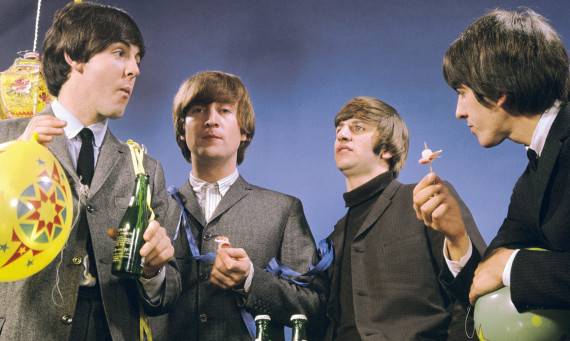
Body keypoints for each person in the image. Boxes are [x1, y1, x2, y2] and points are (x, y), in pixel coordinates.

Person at [0, 2, 180, 340]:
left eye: (138, 59)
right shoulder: (6, 139)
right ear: (73, 55)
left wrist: (154, 272)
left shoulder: (146, 169)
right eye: (119, 53)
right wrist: (14, 158)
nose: (134, 70)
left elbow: (166, 297)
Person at [149, 71, 327, 340]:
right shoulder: (154, 208)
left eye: (224, 110)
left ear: (244, 130)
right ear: (181, 131)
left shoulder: (283, 210)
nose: (210, 120)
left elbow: (314, 306)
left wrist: (251, 281)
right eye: (198, 110)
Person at [439, 8, 570, 311]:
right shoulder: (530, 182)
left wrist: (512, 265)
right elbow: (483, 288)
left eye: (462, 92)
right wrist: (457, 235)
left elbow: (504, 268)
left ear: (497, 90)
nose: (459, 111)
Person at [324, 96, 486, 340]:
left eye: (358, 128)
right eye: (339, 130)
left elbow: (474, 290)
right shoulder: (334, 237)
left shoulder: (427, 199)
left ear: (388, 149)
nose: (342, 135)